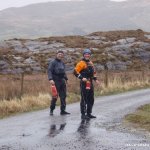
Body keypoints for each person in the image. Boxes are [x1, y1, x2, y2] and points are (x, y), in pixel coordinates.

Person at [74, 49, 100, 119]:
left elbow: (93, 72)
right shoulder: (81, 63)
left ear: (90, 55)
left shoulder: (91, 63)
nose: (87, 55)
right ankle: (83, 114)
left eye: (88, 54)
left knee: (91, 98)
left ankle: (89, 113)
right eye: (85, 54)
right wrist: (82, 78)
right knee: (84, 99)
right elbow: (75, 72)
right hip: (84, 83)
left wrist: (96, 79)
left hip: (90, 82)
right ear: (83, 55)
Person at [48, 50, 70, 115]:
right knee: (55, 96)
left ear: (62, 56)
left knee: (63, 96)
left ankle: (63, 110)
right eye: (59, 54)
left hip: (62, 81)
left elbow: (64, 72)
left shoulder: (62, 63)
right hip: (55, 81)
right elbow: (49, 71)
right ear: (57, 55)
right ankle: (51, 110)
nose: (60, 55)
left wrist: (66, 79)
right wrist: (50, 79)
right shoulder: (53, 62)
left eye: (61, 54)